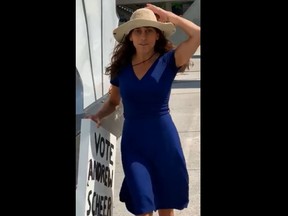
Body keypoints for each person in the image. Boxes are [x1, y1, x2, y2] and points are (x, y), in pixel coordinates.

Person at [86, 4, 200, 216]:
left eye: (149, 30)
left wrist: (170, 16)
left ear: (158, 36)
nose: (143, 36)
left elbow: (197, 34)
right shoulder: (122, 68)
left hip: (164, 141)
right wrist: (98, 115)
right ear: (130, 37)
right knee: (142, 205)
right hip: (134, 144)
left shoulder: (169, 61)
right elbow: (113, 102)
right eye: (138, 31)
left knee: (166, 205)